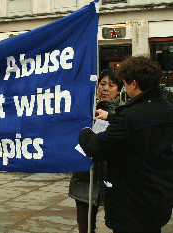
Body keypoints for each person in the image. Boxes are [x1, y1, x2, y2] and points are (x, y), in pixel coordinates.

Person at [78, 55, 173, 233]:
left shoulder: (129, 117)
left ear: (134, 83)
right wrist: (111, 116)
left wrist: (84, 131)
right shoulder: (167, 109)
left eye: (124, 82)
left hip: (132, 203)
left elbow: (96, 147)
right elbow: (141, 124)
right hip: (159, 198)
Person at [69, 68, 123, 233]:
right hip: (85, 176)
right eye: (102, 84)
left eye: (111, 85)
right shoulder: (86, 110)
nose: (105, 89)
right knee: (85, 225)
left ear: (119, 90)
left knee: (118, 222)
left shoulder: (124, 114)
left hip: (112, 178)